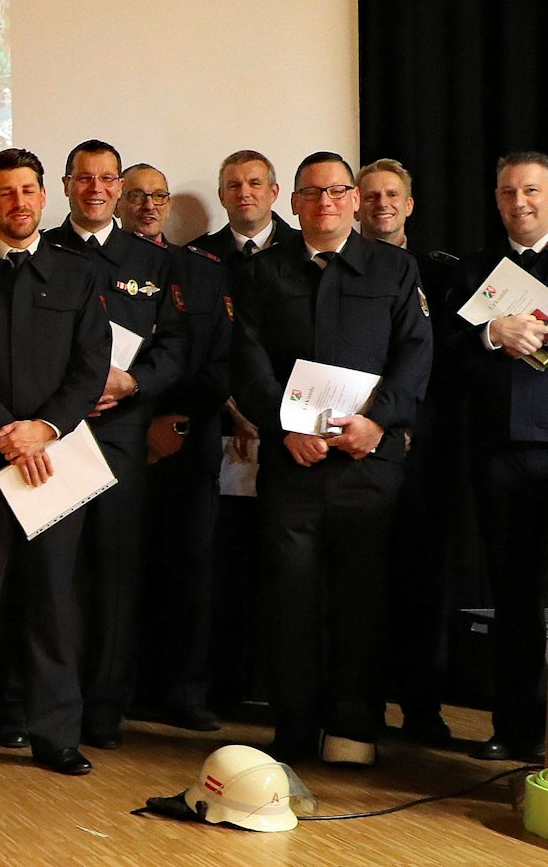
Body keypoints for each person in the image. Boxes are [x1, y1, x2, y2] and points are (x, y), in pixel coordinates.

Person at [231, 151, 431, 766]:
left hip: (369, 466)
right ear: (292, 203)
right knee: (291, 603)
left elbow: (416, 354)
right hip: (294, 466)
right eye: (311, 194)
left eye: (337, 192)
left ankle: (353, 730)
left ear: (352, 199)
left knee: (361, 604)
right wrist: (282, 427)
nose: (324, 203)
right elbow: (246, 359)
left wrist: (379, 422)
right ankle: (293, 731)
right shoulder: (264, 273)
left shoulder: (395, 268)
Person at [0, 148, 109, 779]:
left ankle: (55, 733)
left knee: (53, 600)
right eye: (5, 192)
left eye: (29, 190)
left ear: (44, 197)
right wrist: (5, 430)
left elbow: (90, 368)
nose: (19, 202)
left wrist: (45, 429)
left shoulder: (78, 273)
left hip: (54, 461)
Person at [41, 141, 188, 750]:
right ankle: (47, 708)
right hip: (53, 433)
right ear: (69, 185)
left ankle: (103, 712)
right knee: (53, 574)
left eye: (108, 180)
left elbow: (177, 344)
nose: (96, 189)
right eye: (85, 178)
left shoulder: (153, 261)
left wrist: (136, 381)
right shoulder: (42, 251)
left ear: (119, 189)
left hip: (122, 433)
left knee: (115, 574)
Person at [445, 151, 548, 762]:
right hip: (499, 454)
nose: (521, 202)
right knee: (514, 599)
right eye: (509, 192)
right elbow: (444, 362)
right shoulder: (474, 271)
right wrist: (491, 334)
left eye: (532, 190)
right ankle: (516, 730)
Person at [122, 164, 232, 733]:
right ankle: (119, 688)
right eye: (136, 195)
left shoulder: (203, 272)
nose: (148, 205)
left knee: (190, 569)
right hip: (118, 441)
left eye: (157, 197)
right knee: (119, 570)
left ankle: (184, 692)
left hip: (190, 443)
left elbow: (221, 360)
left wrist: (180, 426)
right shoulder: (99, 268)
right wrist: (139, 428)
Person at [353, 157, 460, 747]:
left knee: (423, 582)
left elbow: (448, 362)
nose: (382, 204)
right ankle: (357, 709)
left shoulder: (445, 275)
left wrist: (414, 423)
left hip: (424, 454)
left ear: (410, 204)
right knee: (359, 585)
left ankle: (423, 708)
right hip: (358, 446)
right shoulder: (335, 270)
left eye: (392, 195)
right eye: (370, 196)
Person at [192, 148, 296, 711]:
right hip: (222, 430)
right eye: (232, 185)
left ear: (276, 193)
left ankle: (280, 690)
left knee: (283, 565)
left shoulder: (306, 254)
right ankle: (225, 689)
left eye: (255, 183)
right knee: (223, 562)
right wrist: (236, 410)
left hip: (292, 431)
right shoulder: (200, 259)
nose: (244, 193)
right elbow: (203, 346)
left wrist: (272, 414)